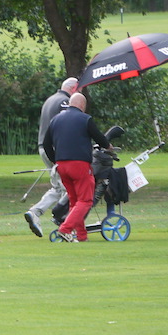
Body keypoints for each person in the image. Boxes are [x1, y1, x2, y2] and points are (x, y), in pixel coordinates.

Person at [41, 92, 111, 242]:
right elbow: (100, 138)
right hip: (80, 165)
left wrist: (55, 160)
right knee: (85, 201)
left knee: (75, 202)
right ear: (82, 105)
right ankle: (65, 229)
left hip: (61, 165)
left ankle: (81, 236)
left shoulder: (55, 120)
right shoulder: (85, 119)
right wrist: (108, 146)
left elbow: (46, 144)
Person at [23, 77, 79, 237]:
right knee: (70, 187)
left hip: (43, 147)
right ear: (73, 88)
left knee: (58, 187)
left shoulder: (51, 99)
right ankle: (64, 222)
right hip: (56, 149)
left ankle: (36, 212)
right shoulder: (64, 102)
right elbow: (66, 124)